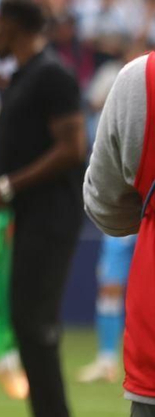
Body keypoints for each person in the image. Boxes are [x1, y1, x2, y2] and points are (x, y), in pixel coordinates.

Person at [0, 0, 92, 417]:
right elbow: (2, 155)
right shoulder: (21, 79)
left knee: (36, 323)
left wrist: (10, 186)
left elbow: (73, 147)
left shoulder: (52, 74)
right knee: (27, 323)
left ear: (11, 26)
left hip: (52, 216)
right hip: (27, 217)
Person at [83, 50, 155, 417]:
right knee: (109, 283)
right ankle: (105, 357)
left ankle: (107, 357)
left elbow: (104, 205)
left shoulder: (140, 79)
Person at [80, 50, 139, 386]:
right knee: (110, 285)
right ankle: (106, 360)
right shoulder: (117, 105)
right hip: (123, 212)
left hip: (146, 212)